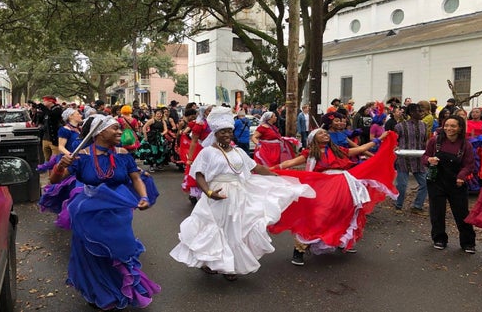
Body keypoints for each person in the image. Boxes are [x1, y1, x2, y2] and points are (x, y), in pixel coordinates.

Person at [169, 107, 315, 281]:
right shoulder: (208, 152)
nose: (227, 135)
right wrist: (208, 192)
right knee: (215, 228)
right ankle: (210, 261)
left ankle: (229, 266)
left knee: (235, 229)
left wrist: (275, 174)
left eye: (229, 131)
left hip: (238, 195)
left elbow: (255, 167)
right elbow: (199, 174)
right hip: (217, 195)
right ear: (215, 133)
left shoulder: (238, 151)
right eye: (223, 131)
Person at [50, 115, 160, 309]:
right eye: (115, 128)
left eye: (120, 128)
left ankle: (120, 287)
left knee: (121, 250)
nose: (120, 132)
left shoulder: (123, 153)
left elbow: (135, 178)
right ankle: (100, 292)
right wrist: (61, 165)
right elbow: (54, 180)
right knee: (93, 254)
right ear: (100, 132)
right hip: (88, 211)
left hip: (118, 211)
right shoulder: (81, 155)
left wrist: (143, 197)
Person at [268, 128, 398, 265]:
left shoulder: (339, 151)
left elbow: (361, 149)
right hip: (325, 187)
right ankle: (299, 250)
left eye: (326, 132)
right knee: (318, 216)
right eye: (321, 133)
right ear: (313, 139)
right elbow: (289, 163)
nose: (325, 134)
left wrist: (379, 139)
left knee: (345, 213)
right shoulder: (311, 154)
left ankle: (341, 241)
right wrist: (269, 170)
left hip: (344, 186)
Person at [422, 115, 476, 253]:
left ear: (460, 128)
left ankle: (468, 242)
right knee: (437, 212)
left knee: (461, 213)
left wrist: (461, 176)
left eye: (453, 126)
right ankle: (439, 239)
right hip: (436, 181)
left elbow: (469, 165)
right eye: (446, 125)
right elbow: (424, 157)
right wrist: (430, 160)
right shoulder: (435, 141)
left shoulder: (465, 145)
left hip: (456, 183)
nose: (449, 128)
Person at [394, 103, 429, 214]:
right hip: (403, 160)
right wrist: (395, 148)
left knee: (425, 183)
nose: (422, 113)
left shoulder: (424, 125)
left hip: (419, 160)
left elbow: (425, 141)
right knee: (402, 185)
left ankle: (417, 206)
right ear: (412, 113)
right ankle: (398, 206)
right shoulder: (400, 126)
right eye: (419, 111)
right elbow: (394, 140)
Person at [37, 95, 63, 162]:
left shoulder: (57, 109)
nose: (43, 102)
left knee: (55, 160)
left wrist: (41, 106)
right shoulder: (46, 111)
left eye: (45, 101)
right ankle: (49, 172)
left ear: (50, 101)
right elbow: (40, 121)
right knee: (47, 160)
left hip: (54, 140)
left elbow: (52, 115)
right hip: (45, 139)